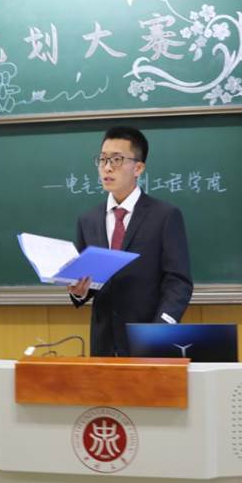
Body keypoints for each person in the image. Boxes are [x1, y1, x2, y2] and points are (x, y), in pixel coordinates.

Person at [68, 126, 193, 356]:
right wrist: (79, 291)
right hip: (103, 345)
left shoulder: (165, 216)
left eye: (116, 160)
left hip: (150, 339)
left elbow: (179, 282)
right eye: (102, 159)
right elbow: (90, 282)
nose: (107, 167)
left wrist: (161, 329)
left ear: (138, 168)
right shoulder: (88, 220)